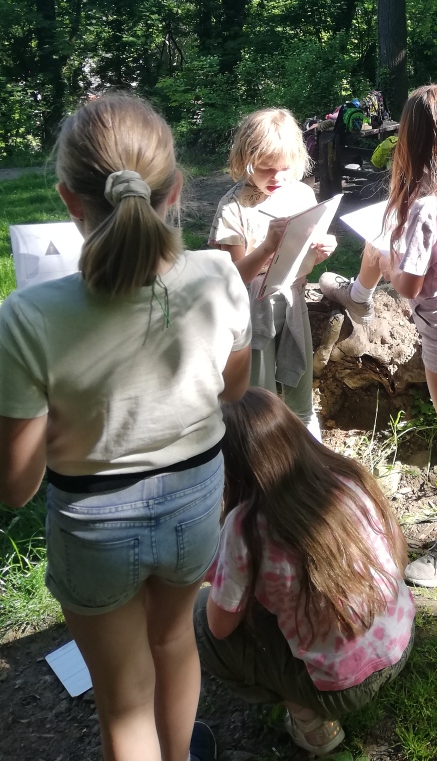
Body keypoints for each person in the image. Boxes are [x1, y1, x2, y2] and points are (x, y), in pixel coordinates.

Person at [0, 93, 252, 761]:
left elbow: (15, 487)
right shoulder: (220, 276)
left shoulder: (26, 317)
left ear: (68, 200)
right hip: (195, 500)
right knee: (173, 639)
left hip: (94, 525)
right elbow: (233, 391)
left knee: (124, 698)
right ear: (176, 191)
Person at [319, 84, 437, 588]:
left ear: (413, 138)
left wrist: (387, 258)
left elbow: (407, 286)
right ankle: (357, 296)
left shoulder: (428, 206)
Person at [194, 388, 415, 757]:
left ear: (230, 465)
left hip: (342, 687)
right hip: (399, 641)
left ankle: (310, 719)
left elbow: (220, 627)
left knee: (200, 618)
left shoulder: (246, 526)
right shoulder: (347, 477)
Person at [209, 108, 336, 439]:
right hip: (252, 311)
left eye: (285, 168)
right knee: (259, 396)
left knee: (299, 388)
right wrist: (266, 247)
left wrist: (320, 252)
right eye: (266, 168)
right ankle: (261, 454)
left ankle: (308, 452)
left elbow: (303, 259)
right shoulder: (235, 207)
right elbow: (234, 277)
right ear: (245, 160)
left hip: (293, 301)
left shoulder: (301, 194)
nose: (277, 177)